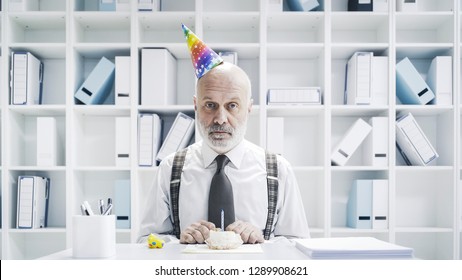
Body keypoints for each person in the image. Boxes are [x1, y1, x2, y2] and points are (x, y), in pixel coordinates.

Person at [138, 25, 309, 244]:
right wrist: (178, 240)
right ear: (196, 105)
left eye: (232, 106)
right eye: (210, 105)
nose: (220, 118)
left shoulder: (279, 170)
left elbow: (299, 248)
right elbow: (145, 243)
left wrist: (263, 242)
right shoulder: (170, 169)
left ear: (249, 107)